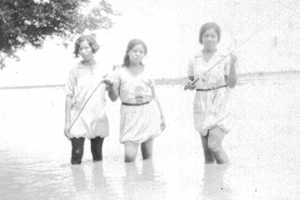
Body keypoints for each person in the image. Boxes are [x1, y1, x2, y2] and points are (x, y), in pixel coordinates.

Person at [185, 22, 237, 164]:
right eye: (206, 35)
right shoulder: (194, 58)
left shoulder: (224, 57)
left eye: (213, 36)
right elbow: (191, 80)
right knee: (207, 153)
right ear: (201, 38)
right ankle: (211, 184)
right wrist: (189, 85)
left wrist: (233, 64)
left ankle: (227, 179)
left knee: (214, 145)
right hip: (201, 103)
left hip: (219, 102)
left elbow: (231, 84)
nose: (209, 39)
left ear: (218, 38)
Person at [106, 39, 166, 162]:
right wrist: (110, 87)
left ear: (144, 54)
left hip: (148, 112)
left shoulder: (148, 71)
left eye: (141, 52)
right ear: (128, 52)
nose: (137, 54)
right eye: (134, 51)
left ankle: (148, 180)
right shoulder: (119, 72)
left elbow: (155, 96)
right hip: (129, 114)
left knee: (148, 158)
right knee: (129, 158)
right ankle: (130, 181)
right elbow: (113, 98)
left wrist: (162, 116)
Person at [64, 34, 115, 165]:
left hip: (98, 115)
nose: (83, 51)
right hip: (78, 116)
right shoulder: (74, 70)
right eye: (80, 49)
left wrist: (111, 85)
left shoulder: (104, 67)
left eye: (86, 48)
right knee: (76, 154)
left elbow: (113, 97)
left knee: (97, 155)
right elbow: (68, 96)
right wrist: (67, 123)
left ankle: (99, 183)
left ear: (93, 48)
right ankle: (77, 184)